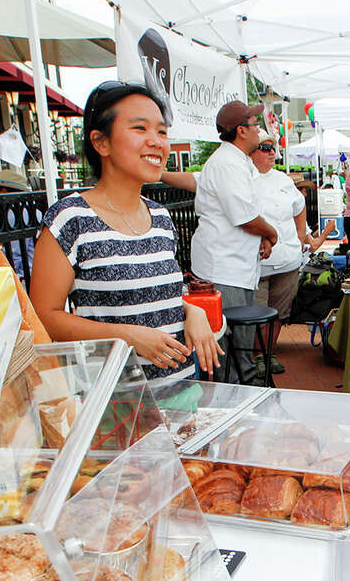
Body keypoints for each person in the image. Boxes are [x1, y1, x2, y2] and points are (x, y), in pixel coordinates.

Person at [30, 81, 221, 384]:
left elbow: (149, 294)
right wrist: (127, 337)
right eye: (140, 129)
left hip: (181, 392)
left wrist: (191, 311)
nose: (157, 142)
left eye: (161, 131)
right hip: (115, 405)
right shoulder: (70, 218)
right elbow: (45, 315)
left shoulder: (160, 216)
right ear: (100, 142)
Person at [161, 100, 278, 384]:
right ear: (241, 130)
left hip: (234, 266)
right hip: (224, 269)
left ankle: (243, 394)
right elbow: (245, 217)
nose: (259, 130)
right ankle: (236, 401)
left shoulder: (234, 162)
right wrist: (271, 233)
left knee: (239, 344)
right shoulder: (227, 163)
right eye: (255, 125)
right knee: (228, 347)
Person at [251, 129, 310, 376]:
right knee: (257, 314)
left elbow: (300, 205)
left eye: (273, 148)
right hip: (258, 262)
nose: (272, 153)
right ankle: (256, 357)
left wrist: (299, 235)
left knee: (277, 314)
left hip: (287, 260)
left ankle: (269, 353)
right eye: (265, 148)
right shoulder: (243, 178)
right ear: (251, 151)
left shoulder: (283, 180)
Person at [0, 169, 36, 279]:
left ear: (4, 191)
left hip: (24, 276)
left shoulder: (15, 214)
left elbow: (14, 253)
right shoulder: (30, 208)